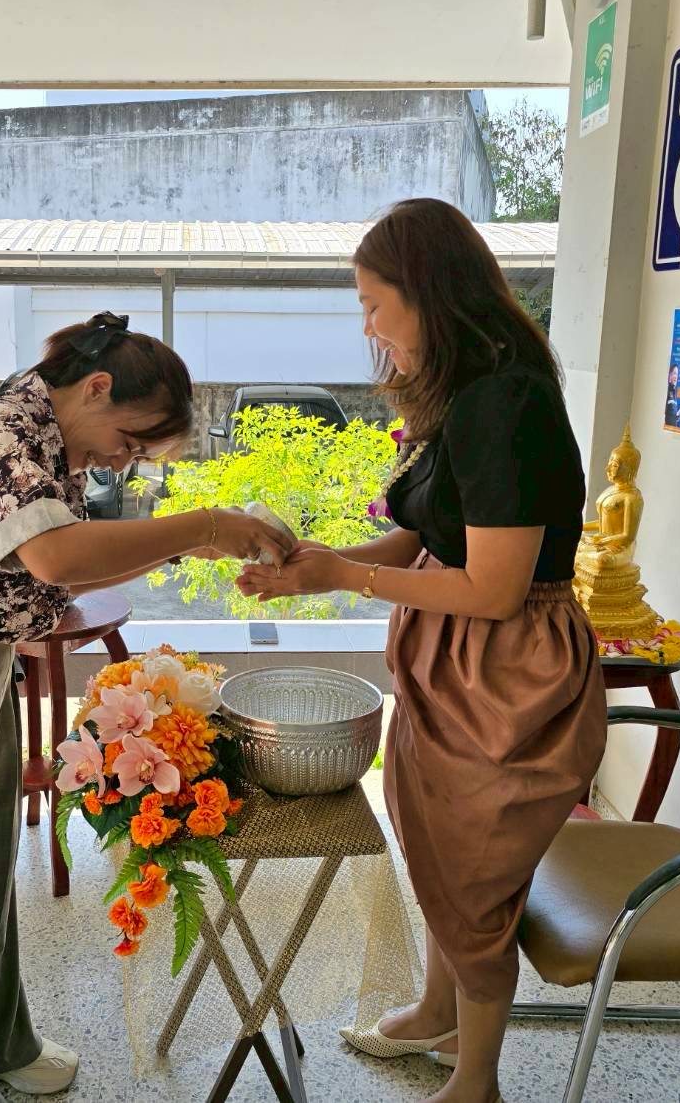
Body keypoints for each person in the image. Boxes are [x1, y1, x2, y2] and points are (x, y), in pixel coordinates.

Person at [0, 312, 292, 1101]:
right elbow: (55, 553)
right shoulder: (10, 425)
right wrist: (202, 525)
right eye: (133, 440)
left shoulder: (42, 429)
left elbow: (54, 555)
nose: (125, 460)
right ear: (96, 387)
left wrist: (195, 540)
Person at [239, 199, 606, 1103]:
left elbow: (492, 588)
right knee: (437, 847)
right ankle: (439, 1012)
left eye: (373, 301)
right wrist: (316, 571)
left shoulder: (503, 401)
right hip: (453, 663)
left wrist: (345, 580)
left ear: (428, 293)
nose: (365, 324)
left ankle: (473, 1078)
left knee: (474, 877)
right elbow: (425, 541)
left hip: (505, 672)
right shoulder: (467, 389)